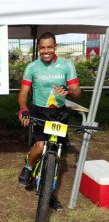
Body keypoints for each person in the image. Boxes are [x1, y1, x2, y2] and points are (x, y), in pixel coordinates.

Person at [17, 32, 81, 210]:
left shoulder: (67, 65)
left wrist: (67, 91)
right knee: (39, 147)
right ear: (39, 48)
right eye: (42, 48)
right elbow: (23, 93)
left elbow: (77, 92)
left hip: (60, 114)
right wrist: (23, 109)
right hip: (39, 112)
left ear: (55, 47)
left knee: (57, 154)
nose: (46, 51)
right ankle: (28, 167)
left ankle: (49, 195)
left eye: (49, 47)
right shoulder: (32, 67)